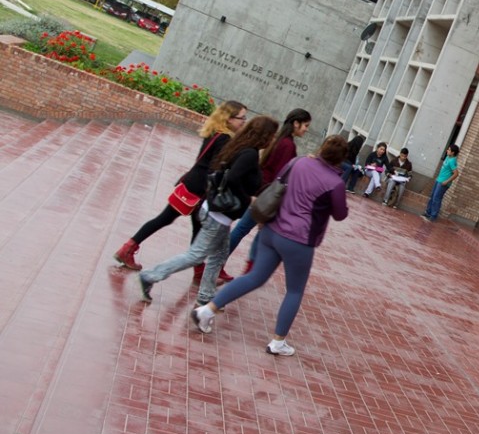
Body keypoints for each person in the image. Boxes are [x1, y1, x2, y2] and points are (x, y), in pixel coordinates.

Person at [191, 135, 350, 356]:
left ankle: (207, 310)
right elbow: (340, 214)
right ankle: (278, 342)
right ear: (342, 159)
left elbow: (278, 181)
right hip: (300, 240)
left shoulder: (299, 162)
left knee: (255, 277)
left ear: (322, 149)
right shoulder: (335, 183)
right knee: (294, 290)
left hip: (272, 229)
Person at [137, 116, 278, 305]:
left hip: (216, 212)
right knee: (196, 255)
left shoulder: (240, 146)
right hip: (218, 216)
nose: (273, 139)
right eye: (272, 135)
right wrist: (248, 199)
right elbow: (234, 178)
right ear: (264, 135)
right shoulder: (249, 154)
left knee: (218, 256)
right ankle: (151, 275)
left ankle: (205, 299)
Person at [113, 100, 247, 272]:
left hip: (192, 183)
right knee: (180, 223)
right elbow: (215, 167)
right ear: (229, 119)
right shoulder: (225, 138)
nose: (244, 121)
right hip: (200, 189)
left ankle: (129, 248)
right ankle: (197, 270)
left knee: (181, 223)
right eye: (241, 118)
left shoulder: (214, 131)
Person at [227, 109, 311, 274]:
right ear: (296, 123)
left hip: (263, 191)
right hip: (267, 195)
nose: (306, 129)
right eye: (305, 125)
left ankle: (249, 268)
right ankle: (226, 263)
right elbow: (281, 175)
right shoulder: (288, 145)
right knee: (246, 229)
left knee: (254, 231)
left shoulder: (280, 139)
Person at [421, 144, 459, 221]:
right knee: (432, 196)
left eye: (449, 150)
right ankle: (428, 212)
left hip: (443, 183)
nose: (447, 150)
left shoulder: (452, 161)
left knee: (436, 198)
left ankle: (433, 216)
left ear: (453, 152)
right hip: (439, 180)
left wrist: (446, 181)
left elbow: (456, 174)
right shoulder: (448, 157)